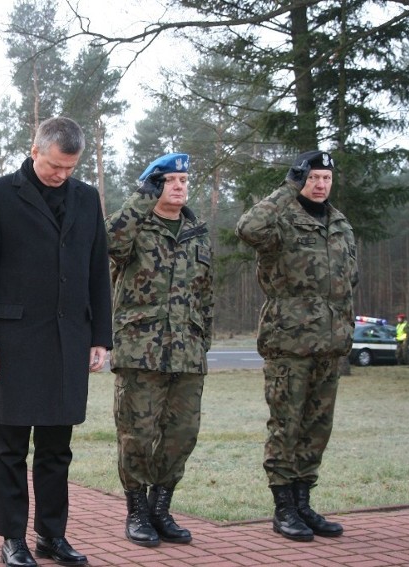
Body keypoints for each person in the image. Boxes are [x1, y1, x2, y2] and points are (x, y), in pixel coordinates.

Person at [0, 116, 113, 567]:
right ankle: (12, 538)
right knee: (10, 448)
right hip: (12, 343)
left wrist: (100, 337)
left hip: (69, 341)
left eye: (70, 168)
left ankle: (52, 536)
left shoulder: (87, 199)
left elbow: (96, 271)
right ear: (35, 151)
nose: (61, 175)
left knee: (57, 450)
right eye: (54, 166)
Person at [236, 150, 355, 542]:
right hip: (289, 342)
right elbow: (247, 228)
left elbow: (346, 283)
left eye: (327, 178)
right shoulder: (280, 220)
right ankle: (283, 507)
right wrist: (287, 190)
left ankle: (304, 502)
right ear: (299, 178)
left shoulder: (340, 224)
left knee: (317, 427)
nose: (320, 185)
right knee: (286, 425)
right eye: (313, 178)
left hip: (330, 344)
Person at [104, 153, 213, 547]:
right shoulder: (136, 225)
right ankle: (136, 513)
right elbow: (105, 242)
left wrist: (203, 345)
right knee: (137, 434)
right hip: (141, 351)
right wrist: (139, 199)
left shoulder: (197, 231)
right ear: (153, 184)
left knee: (181, 434)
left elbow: (206, 296)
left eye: (185, 179)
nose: (180, 186)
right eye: (170, 180)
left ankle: (161, 509)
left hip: (187, 354)